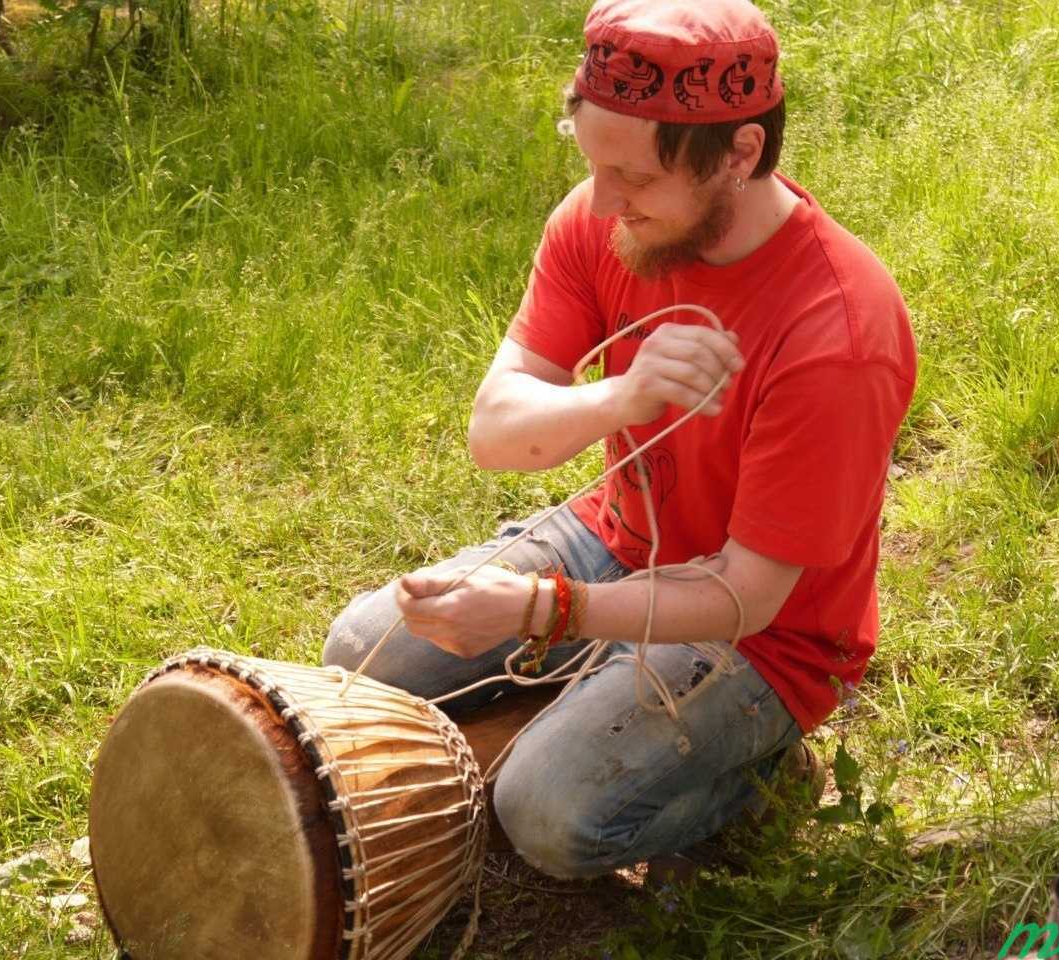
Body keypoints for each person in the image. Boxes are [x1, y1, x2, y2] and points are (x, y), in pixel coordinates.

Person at [323, 0, 917, 882]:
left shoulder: (839, 330)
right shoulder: (607, 220)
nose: (603, 201)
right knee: (362, 654)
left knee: (545, 818)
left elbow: (747, 597)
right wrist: (623, 396)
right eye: (593, 165)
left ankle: (761, 778)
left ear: (742, 154)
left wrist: (539, 610)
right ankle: (580, 704)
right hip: (618, 539)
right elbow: (496, 432)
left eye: (632, 178)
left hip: (764, 637)